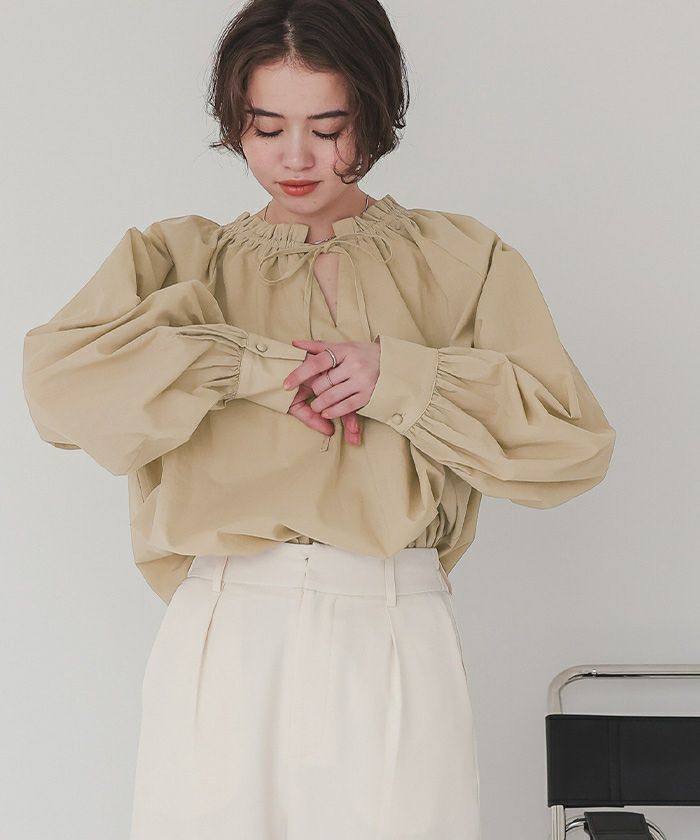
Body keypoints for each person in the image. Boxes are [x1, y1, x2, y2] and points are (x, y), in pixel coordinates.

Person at [21, 1, 616, 838]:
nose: (295, 158)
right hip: (224, 623)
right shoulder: (176, 262)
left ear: (376, 112)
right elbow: (56, 391)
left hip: (393, 617)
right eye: (266, 128)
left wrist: (399, 376)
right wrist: (246, 364)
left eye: (329, 128)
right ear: (234, 121)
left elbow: (570, 445)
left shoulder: (460, 260)